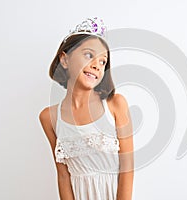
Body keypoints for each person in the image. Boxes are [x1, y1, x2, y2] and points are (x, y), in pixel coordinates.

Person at [39, 17, 134, 200]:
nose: (96, 66)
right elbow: (63, 176)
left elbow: (127, 169)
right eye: (89, 55)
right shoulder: (49, 117)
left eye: (102, 62)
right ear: (64, 60)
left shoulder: (115, 105)